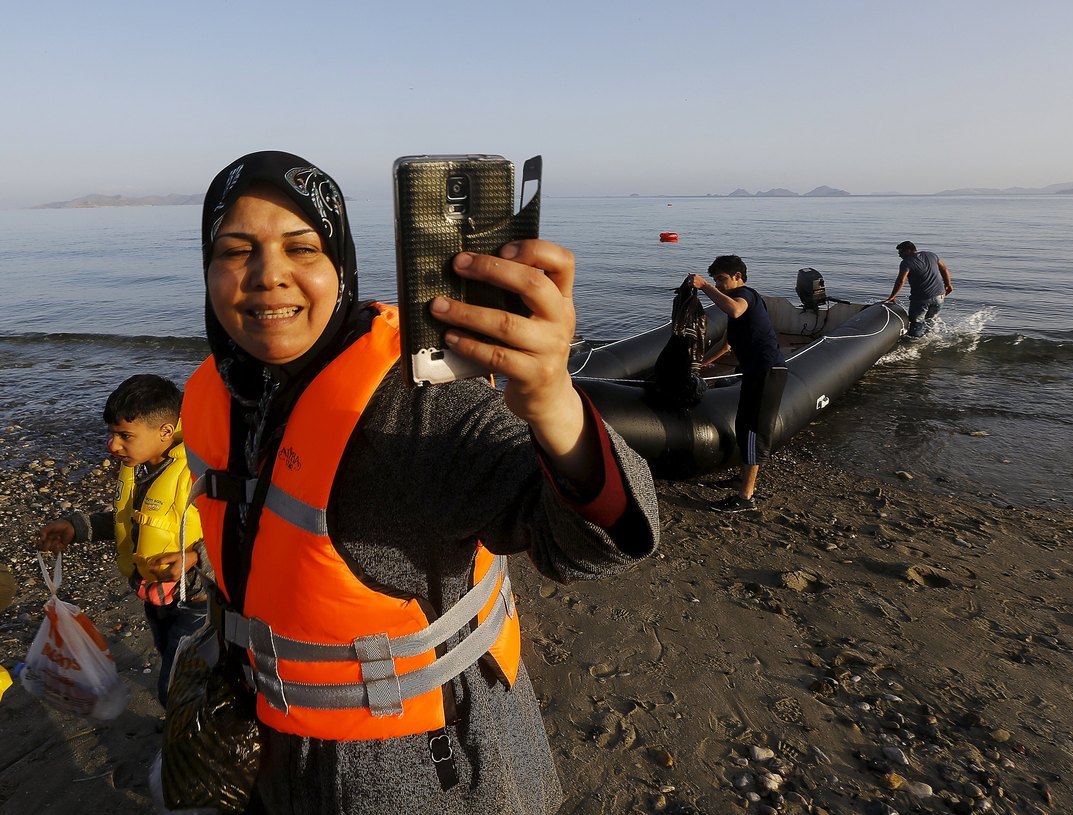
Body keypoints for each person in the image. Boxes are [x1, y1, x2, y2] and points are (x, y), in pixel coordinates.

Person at [181, 151, 659, 814]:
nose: (269, 275)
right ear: (207, 268)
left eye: (302, 247)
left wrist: (552, 400)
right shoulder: (217, 391)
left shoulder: (418, 401)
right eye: (236, 250)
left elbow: (596, 542)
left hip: (423, 768)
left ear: (341, 263)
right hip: (275, 752)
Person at [36, 374, 206, 706]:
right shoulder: (141, 468)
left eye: (125, 436)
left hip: (195, 601)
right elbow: (128, 521)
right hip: (153, 595)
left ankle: (185, 733)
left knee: (177, 683)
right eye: (112, 434)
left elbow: (238, 535)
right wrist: (76, 528)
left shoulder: (195, 476)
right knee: (167, 655)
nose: (112, 446)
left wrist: (195, 557)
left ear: (166, 432)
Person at [690, 255, 785, 512]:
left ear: (738, 276)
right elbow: (726, 345)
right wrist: (698, 365)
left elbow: (734, 308)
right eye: (715, 280)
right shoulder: (737, 307)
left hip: (768, 371)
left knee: (755, 430)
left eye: (721, 279)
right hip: (754, 372)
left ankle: (746, 498)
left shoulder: (745, 295)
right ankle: (741, 479)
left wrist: (704, 286)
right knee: (744, 425)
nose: (718, 284)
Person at [886, 240, 954, 337]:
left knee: (916, 323)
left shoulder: (906, 263)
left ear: (909, 250)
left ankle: (913, 343)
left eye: (901, 252)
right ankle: (930, 340)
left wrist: (892, 297)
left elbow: (901, 280)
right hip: (940, 296)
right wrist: (948, 284)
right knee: (931, 322)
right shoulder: (931, 255)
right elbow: (944, 269)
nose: (899, 255)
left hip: (921, 299)